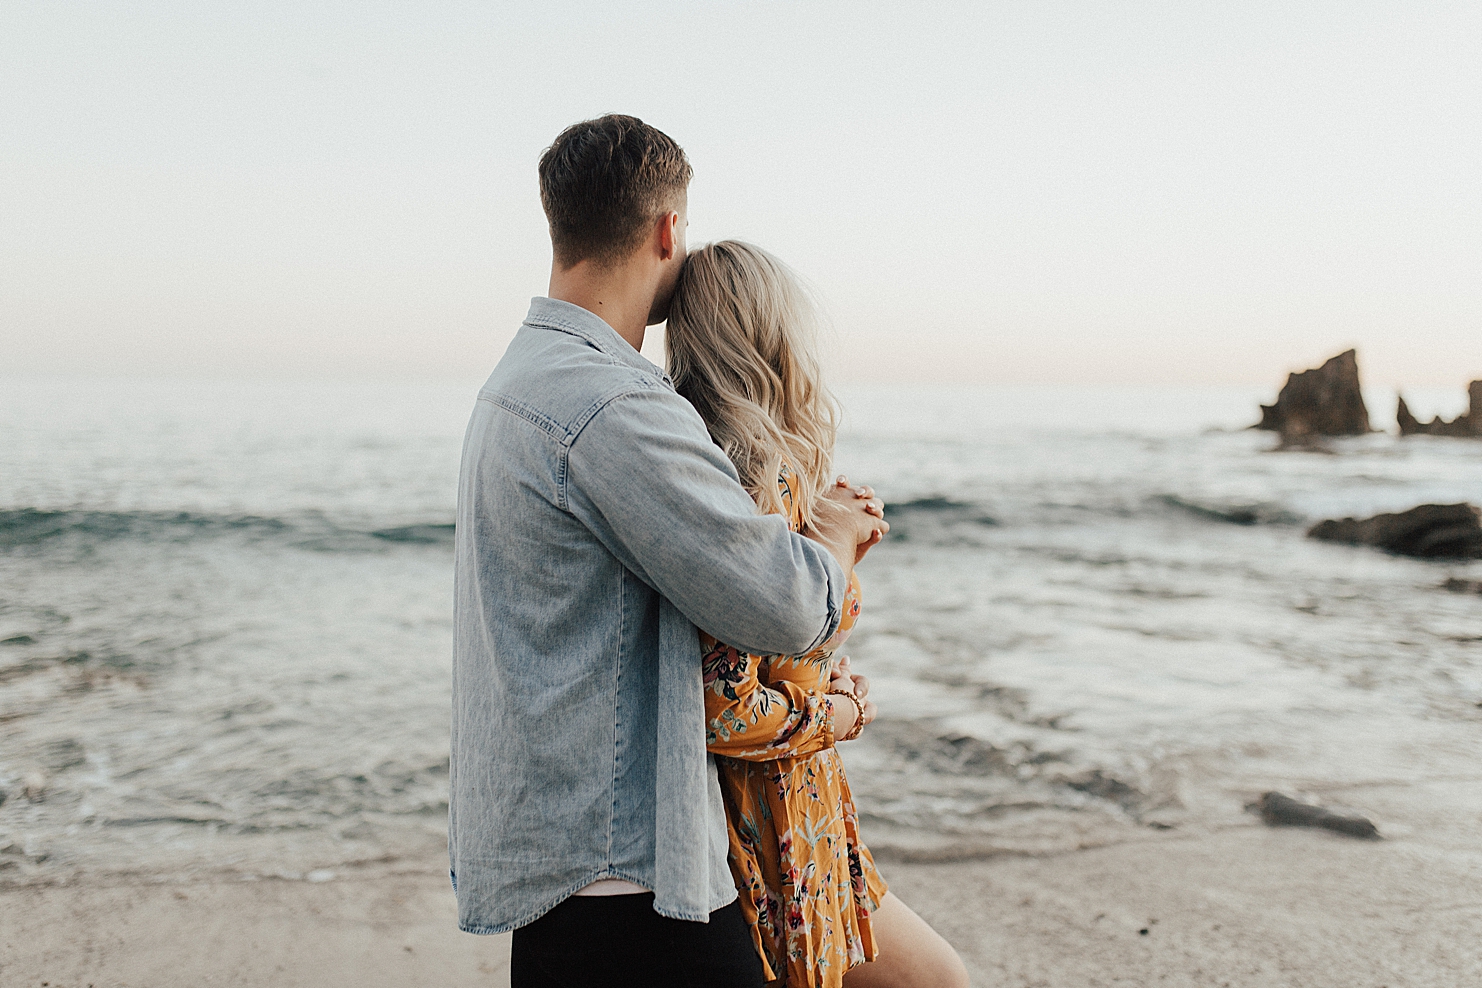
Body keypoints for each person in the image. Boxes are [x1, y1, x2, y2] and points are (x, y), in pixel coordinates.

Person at [448, 114, 889, 988]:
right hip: (626, 876)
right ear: (667, 231)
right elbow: (788, 606)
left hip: (566, 856)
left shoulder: (518, 383)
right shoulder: (612, 405)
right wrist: (836, 540)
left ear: (558, 223)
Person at [666, 241, 970, 988]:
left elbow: (787, 650)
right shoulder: (740, 481)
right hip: (769, 827)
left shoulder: (764, 470)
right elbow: (724, 709)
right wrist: (839, 713)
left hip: (811, 808)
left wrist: (838, 553)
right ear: (771, 335)